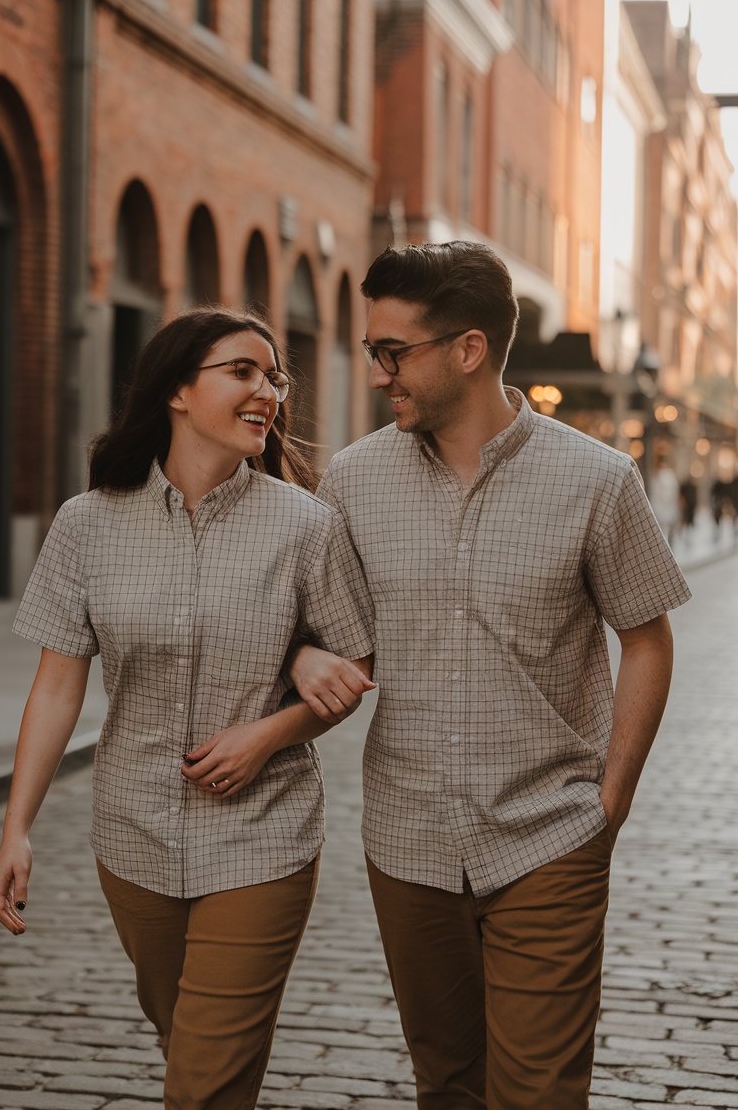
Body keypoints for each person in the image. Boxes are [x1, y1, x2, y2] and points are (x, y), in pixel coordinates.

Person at [290, 241, 690, 1109]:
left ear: (467, 350)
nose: (379, 371)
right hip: (407, 844)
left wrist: (608, 804)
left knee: (540, 1094)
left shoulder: (598, 480)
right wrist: (302, 653)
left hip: (549, 836)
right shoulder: (354, 480)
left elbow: (648, 639)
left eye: (393, 351)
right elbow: (307, 624)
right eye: (373, 351)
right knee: (448, 1085)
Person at [0, 308, 374, 1110]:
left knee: (201, 1079)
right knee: (185, 1041)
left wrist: (271, 733)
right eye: (243, 371)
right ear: (175, 390)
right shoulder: (86, 523)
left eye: (274, 377)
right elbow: (58, 685)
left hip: (265, 835)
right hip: (132, 835)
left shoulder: (306, 525)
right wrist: (16, 827)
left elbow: (355, 663)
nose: (268, 390)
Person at [649, 454, 681, 546]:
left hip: (665, 507)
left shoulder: (664, 476)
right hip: (664, 507)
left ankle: (667, 546)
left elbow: (669, 493)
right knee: (665, 529)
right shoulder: (661, 476)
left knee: (665, 529)